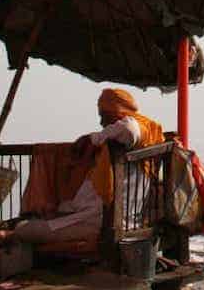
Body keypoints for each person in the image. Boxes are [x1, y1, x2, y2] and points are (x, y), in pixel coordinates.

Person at [13, 87, 164, 245]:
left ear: (117, 111)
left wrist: (93, 138)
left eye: (104, 116)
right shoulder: (125, 147)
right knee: (34, 221)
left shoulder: (137, 129)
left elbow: (129, 130)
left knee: (23, 230)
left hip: (100, 223)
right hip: (102, 219)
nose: (101, 123)